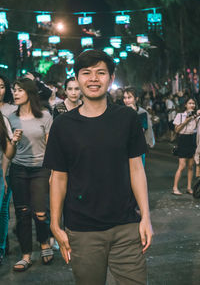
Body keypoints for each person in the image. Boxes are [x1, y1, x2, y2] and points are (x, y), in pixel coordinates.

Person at [44, 49, 153, 285]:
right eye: (87, 73)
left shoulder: (127, 118)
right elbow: (58, 178)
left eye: (101, 73)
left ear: (111, 78)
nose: (94, 79)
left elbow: (136, 169)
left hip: (126, 226)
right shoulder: (62, 126)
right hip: (82, 231)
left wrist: (146, 217)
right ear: (77, 78)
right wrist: (55, 224)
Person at [8, 78, 53, 271]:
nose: (15, 94)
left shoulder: (44, 116)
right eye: (14, 90)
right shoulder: (11, 119)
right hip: (18, 170)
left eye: (19, 90)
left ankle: (44, 242)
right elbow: (9, 154)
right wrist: (13, 141)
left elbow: (51, 148)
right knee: (23, 213)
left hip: (41, 169)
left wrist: (53, 173)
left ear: (29, 93)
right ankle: (26, 255)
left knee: (40, 212)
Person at [0, 111, 22, 264]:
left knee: (2, 212)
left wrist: (13, 142)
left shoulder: (2, 119)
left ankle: (1, 250)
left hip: (1, 173)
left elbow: (8, 152)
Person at [123, 86, 155, 166]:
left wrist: (134, 113)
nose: (126, 100)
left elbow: (141, 130)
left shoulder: (142, 113)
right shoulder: (120, 112)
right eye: (125, 98)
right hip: (123, 148)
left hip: (137, 148)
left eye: (129, 97)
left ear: (136, 99)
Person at [172, 97, 198, 195]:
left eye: (193, 103)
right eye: (190, 103)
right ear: (185, 105)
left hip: (192, 139)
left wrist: (195, 117)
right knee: (182, 165)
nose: (192, 105)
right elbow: (177, 130)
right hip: (183, 139)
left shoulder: (196, 116)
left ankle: (189, 187)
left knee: (191, 166)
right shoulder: (180, 115)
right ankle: (175, 187)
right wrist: (186, 121)